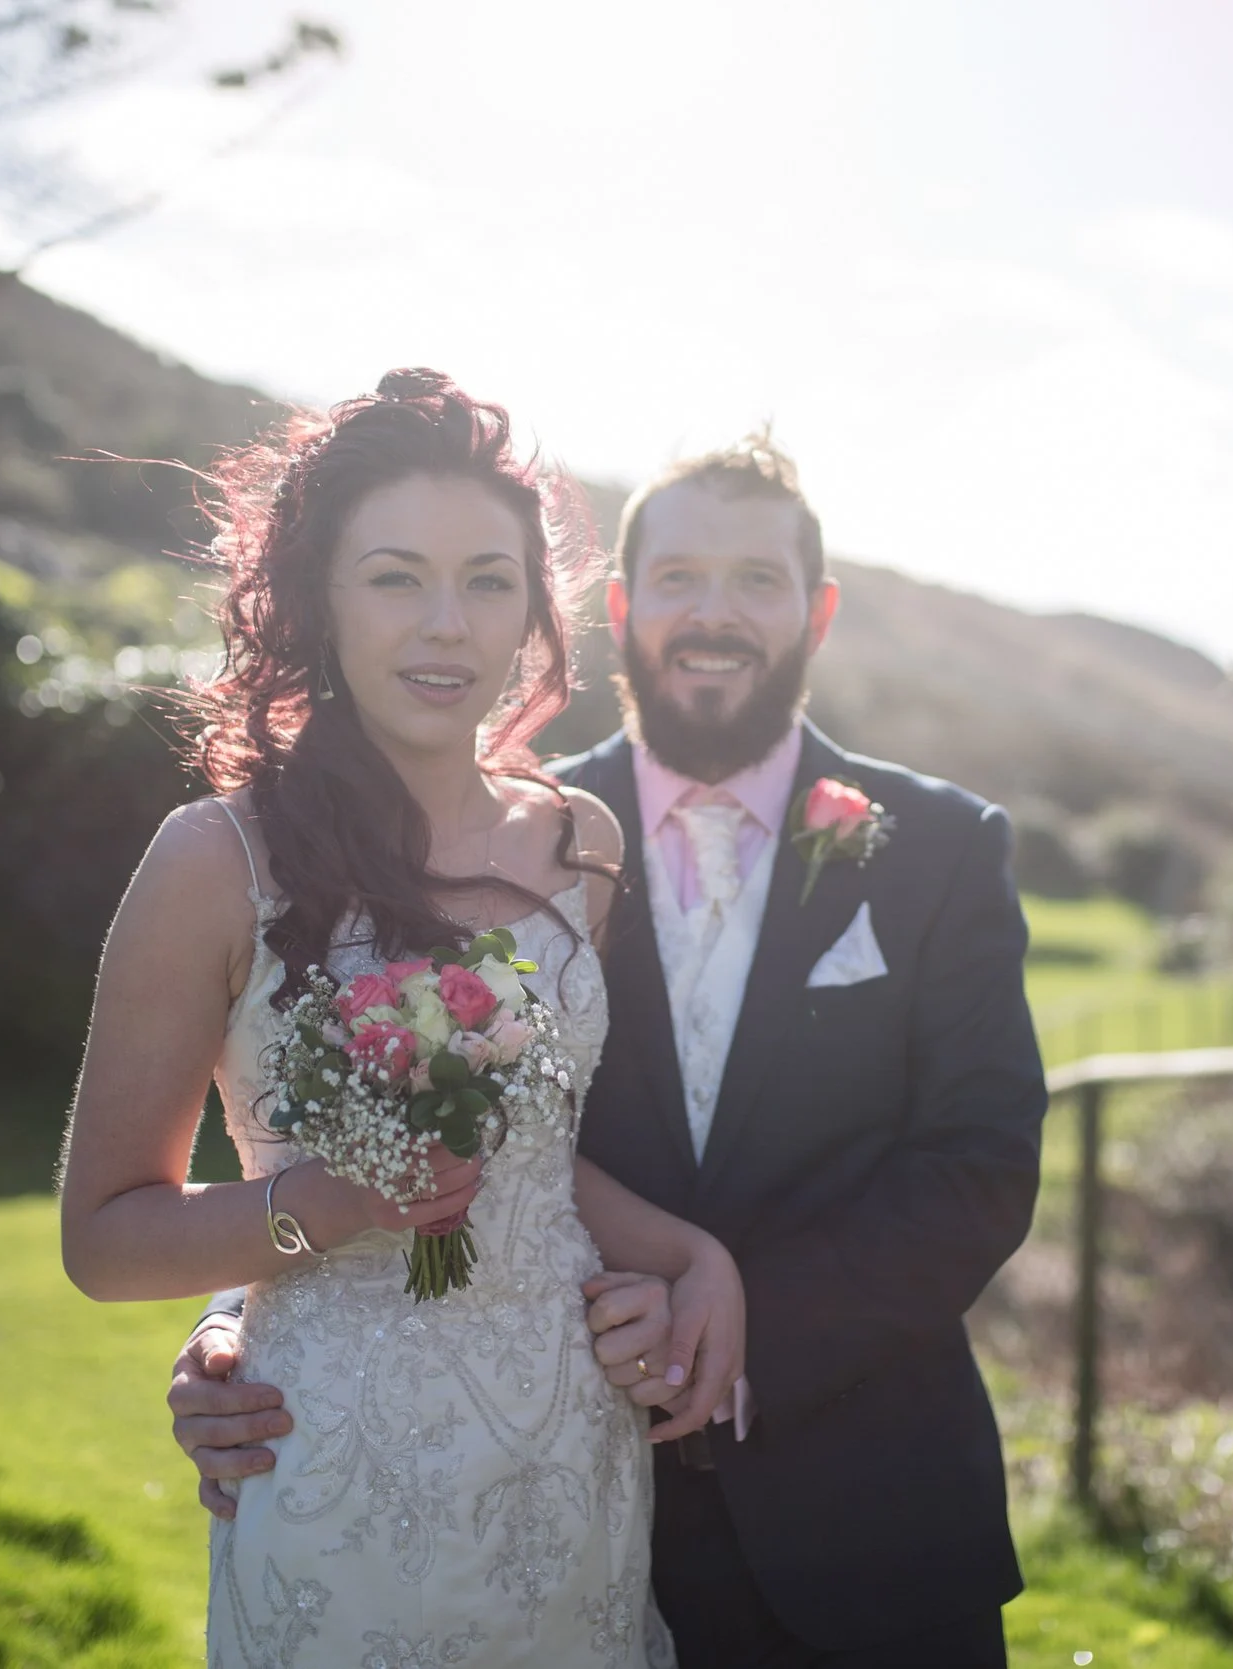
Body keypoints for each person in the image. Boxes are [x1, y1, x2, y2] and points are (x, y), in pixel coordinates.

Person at [172, 433, 1050, 1665]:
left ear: (819, 611)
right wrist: (241, 1327)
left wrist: (746, 1324)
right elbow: (403, 1115)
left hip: (875, 1525)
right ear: (623, 605)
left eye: (757, 579)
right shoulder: (509, 837)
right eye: (681, 576)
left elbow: (980, 1168)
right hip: (562, 1503)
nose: (715, 613)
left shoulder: (945, 849)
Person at [59, 370, 743, 1667]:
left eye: (489, 579)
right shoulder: (215, 861)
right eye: (396, 576)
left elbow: (533, 1163)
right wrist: (344, 1200)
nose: (449, 625)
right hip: (334, 1472)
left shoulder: (580, 846)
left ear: (536, 608)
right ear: (319, 595)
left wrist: (694, 1256)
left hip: (569, 1458)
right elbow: (104, 1239)